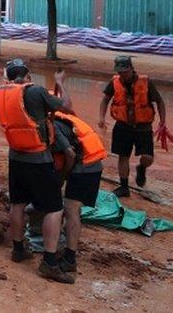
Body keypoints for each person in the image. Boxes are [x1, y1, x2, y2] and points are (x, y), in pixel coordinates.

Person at [0, 58, 75, 283]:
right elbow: (66, 107)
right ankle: (49, 263)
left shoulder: (1, 93)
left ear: (9, 77)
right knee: (54, 208)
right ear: (27, 76)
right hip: (38, 158)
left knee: (17, 203)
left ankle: (18, 249)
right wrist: (60, 83)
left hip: (15, 157)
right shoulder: (36, 90)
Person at [98, 55, 166, 197]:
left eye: (125, 71)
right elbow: (105, 100)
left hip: (143, 127)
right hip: (123, 126)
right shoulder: (114, 82)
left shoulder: (146, 82)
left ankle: (141, 168)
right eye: (120, 72)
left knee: (148, 157)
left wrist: (162, 122)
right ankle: (124, 187)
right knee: (123, 156)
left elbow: (159, 101)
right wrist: (101, 118)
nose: (122, 74)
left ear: (131, 69)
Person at [50, 105, 105, 274]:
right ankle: (66, 246)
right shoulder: (58, 117)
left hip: (86, 166)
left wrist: (61, 178)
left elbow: (70, 155)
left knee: (71, 207)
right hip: (87, 161)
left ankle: (70, 259)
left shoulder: (54, 127)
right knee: (71, 207)